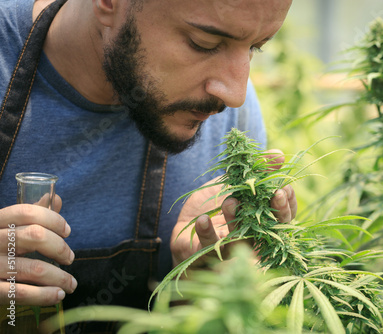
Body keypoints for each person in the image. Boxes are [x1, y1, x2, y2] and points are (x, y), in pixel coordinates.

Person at [0, 0, 295, 332]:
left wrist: (198, 293)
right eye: (204, 43)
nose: (235, 94)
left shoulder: (226, 117)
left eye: (254, 47)